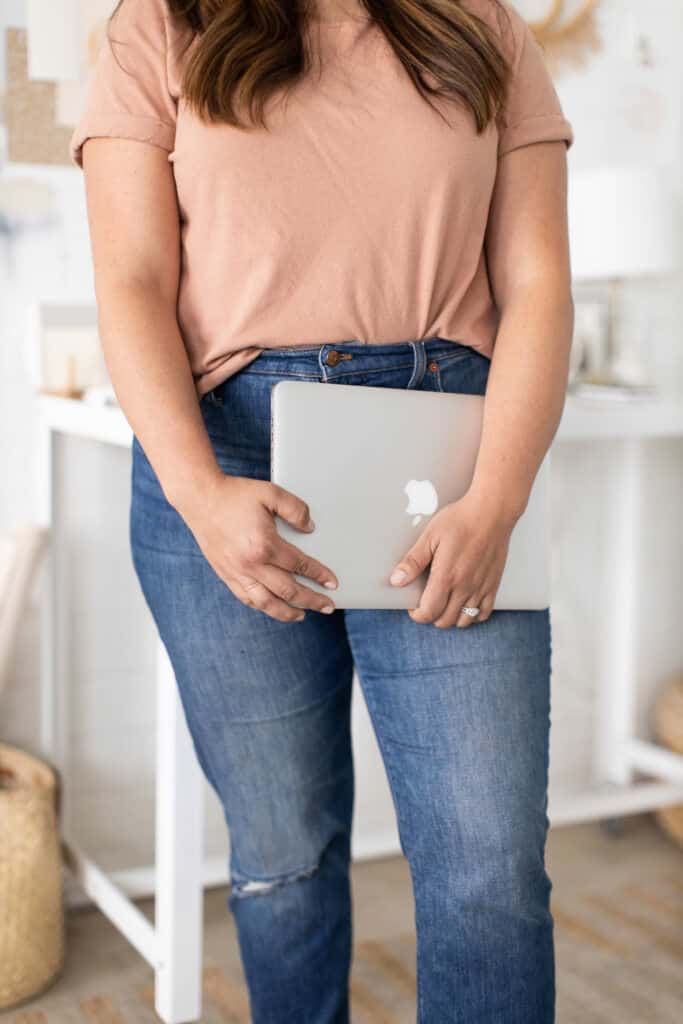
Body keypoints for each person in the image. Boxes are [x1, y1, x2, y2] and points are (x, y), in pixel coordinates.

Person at [69, 0, 574, 1019]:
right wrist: (198, 492)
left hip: (444, 467)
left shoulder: (479, 23)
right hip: (223, 457)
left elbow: (535, 280)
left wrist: (497, 497)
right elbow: (129, 279)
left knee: (488, 867)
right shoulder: (159, 25)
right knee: (281, 853)